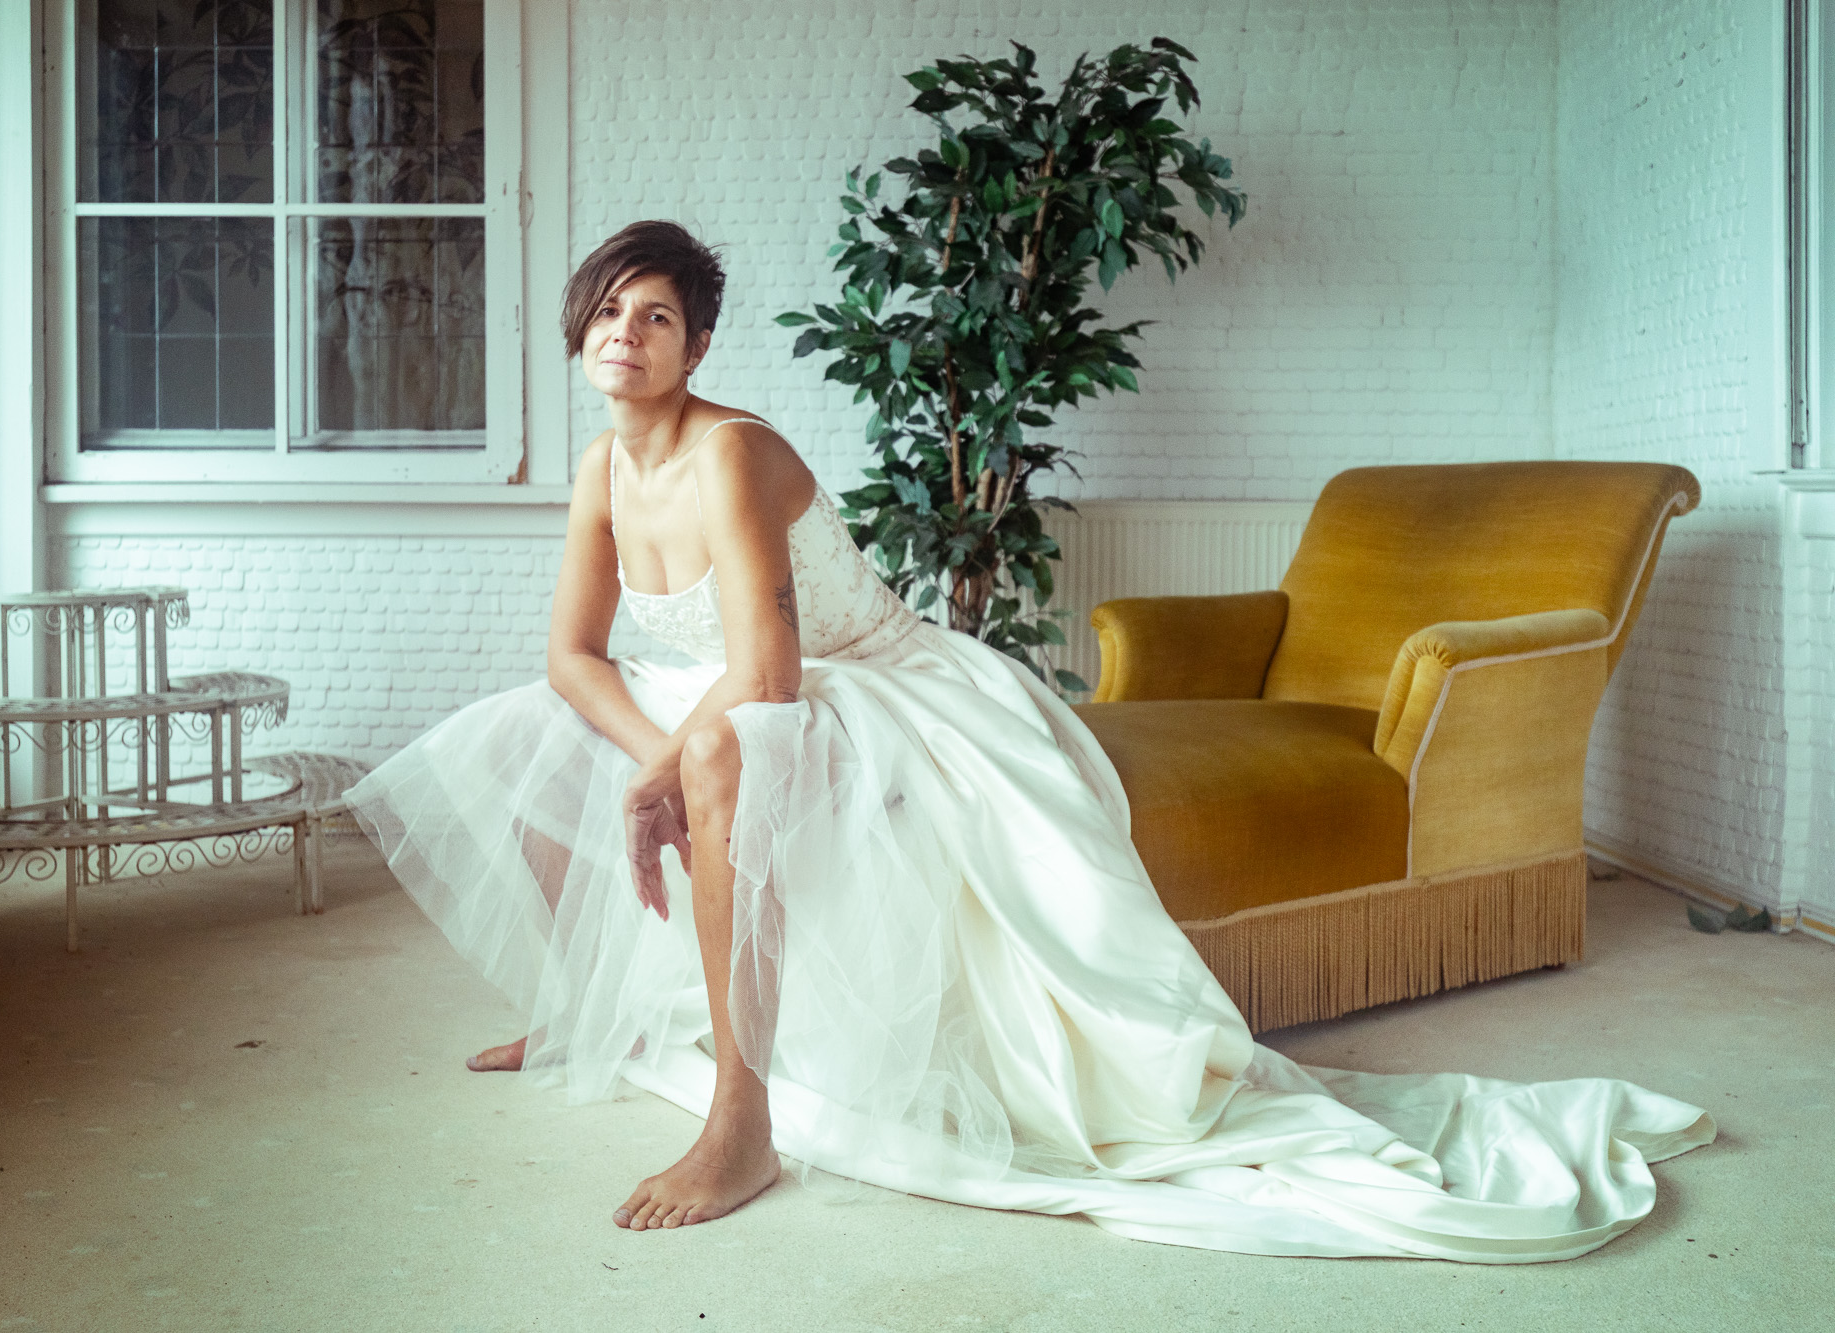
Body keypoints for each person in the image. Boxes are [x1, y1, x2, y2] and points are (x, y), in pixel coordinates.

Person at [346, 220, 1714, 1258]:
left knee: (711, 756)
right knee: (521, 732)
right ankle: (582, 1010)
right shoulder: (602, 465)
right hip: (725, 681)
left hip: (861, 680)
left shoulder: (730, 453)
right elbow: (573, 657)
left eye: (656, 316)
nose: (625, 334)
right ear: (580, 332)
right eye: (607, 312)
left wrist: (661, 768)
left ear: (697, 349)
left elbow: (769, 673)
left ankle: (742, 1122)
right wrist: (634, 756)